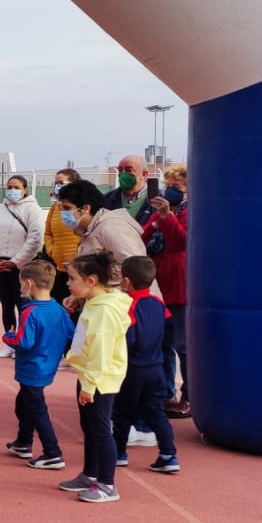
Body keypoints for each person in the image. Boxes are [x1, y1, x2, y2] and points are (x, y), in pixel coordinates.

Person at [62, 253, 132, 504]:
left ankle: (108, 483)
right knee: (90, 427)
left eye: (72, 279)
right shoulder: (95, 300)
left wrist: (89, 385)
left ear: (91, 281)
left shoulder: (104, 312)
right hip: (90, 375)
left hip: (100, 379)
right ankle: (90, 474)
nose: (68, 283)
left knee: (101, 429)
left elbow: (101, 352)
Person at [3, 258, 75, 471]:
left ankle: (52, 451)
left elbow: (23, 342)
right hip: (47, 365)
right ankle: (23, 442)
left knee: (36, 408)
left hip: (32, 367)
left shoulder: (30, 310)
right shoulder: (58, 309)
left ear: (28, 284)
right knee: (24, 403)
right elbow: (71, 333)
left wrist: (8, 336)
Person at [112, 255, 181, 476]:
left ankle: (119, 453)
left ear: (126, 281)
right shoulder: (159, 304)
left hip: (133, 369)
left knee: (122, 413)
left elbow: (130, 338)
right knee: (156, 412)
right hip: (156, 367)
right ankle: (169, 454)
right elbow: (167, 327)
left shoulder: (128, 306)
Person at [143, 163, 191, 417]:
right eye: (168, 186)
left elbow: (181, 240)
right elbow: (143, 236)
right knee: (165, 342)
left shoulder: (189, 211)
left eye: (177, 187)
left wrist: (166, 217)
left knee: (183, 345)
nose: (170, 190)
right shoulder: (163, 211)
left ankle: (190, 397)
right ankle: (167, 391)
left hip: (182, 285)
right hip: (161, 283)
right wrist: (156, 220)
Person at [0, 174, 45, 354]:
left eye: (16, 187)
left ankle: (24, 342)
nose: (12, 190)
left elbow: (35, 239)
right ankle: (9, 340)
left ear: (25, 190)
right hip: (0, 264)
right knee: (6, 304)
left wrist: (15, 262)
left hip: (22, 266)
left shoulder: (33, 209)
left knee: (23, 304)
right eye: (9, 187)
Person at [55, 178, 146, 278]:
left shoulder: (110, 227)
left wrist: (92, 273)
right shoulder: (88, 229)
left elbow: (135, 266)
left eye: (67, 208)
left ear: (86, 208)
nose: (63, 213)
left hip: (125, 292)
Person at [41, 168, 82, 303]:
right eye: (55, 183)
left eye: (60, 183)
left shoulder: (82, 207)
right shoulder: (55, 208)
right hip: (58, 268)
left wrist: (77, 255)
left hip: (79, 269)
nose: (57, 186)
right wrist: (52, 251)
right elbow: (48, 233)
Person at [102, 153, 151, 218]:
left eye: (129, 170)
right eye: (120, 170)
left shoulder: (160, 201)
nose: (123, 174)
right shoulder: (106, 199)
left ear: (144, 174)